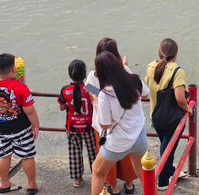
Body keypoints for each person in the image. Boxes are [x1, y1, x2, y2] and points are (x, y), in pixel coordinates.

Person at [91, 51, 149, 195]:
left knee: (97, 171)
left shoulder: (105, 94)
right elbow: (145, 94)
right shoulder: (134, 79)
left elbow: (104, 125)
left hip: (118, 142)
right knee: (144, 173)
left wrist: (97, 102)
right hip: (139, 136)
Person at [0, 53, 40, 194]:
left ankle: (4, 183)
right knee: (26, 155)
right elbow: (29, 110)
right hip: (21, 129)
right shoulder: (20, 87)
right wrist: (36, 125)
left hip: (0, 128)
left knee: (3, 154)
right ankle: (31, 185)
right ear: (14, 69)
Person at [85, 38, 137, 195]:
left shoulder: (93, 75)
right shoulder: (124, 70)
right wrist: (126, 66)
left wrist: (97, 98)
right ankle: (129, 184)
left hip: (103, 125)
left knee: (106, 157)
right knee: (126, 153)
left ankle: (113, 188)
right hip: (123, 121)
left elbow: (89, 89)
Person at [145, 38, 193, 191]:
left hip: (156, 116)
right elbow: (180, 98)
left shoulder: (150, 67)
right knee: (168, 149)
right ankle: (163, 181)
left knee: (165, 145)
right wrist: (188, 109)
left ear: (160, 52)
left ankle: (170, 170)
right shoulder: (177, 72)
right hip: (171, 119)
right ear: (175, 54)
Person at [58, 59, 97, 188]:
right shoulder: (90, 88)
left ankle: (78, 179)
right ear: (85, 74)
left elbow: (62, 107)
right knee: (93, 151)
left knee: (75, 152)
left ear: (70, 74)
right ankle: (96, 175)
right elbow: (98, 100)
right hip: (88, 126)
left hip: (72, 126)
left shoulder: (65, 89)